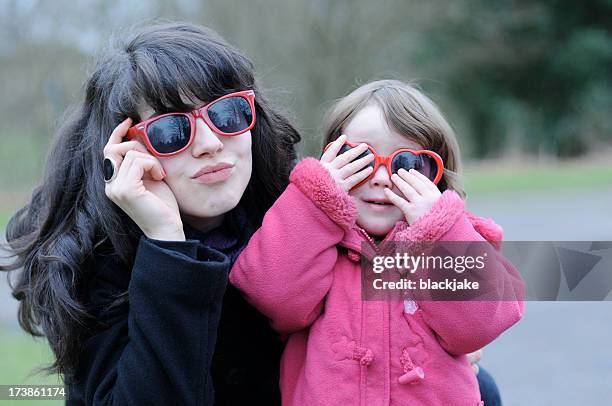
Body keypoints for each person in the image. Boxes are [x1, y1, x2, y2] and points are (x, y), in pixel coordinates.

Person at [0, 22, 300, 405]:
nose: (210, 144)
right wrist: (167, 246)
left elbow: (393, 307)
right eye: (172, 130)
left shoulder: (303, 214)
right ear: (126, 152)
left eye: (226, 113)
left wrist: (403, 244)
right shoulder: (88, 264)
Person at [230, 80, 525, 405]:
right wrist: (315, 202)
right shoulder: (315, 245)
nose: (382, 178)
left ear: (437, 178)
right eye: (361, 160)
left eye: (407, 165)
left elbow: (480, 324)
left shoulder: (453, 238)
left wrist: (437, 232)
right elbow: (270, 295)